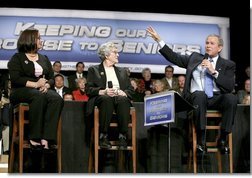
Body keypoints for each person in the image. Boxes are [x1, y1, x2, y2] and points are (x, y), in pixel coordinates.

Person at [147, 26, 237, 154]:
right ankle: (201, 139)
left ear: (220, 48)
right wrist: (159, 40)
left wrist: (213, 71)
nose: (208, 46)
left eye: (212, 43)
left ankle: (223, 138)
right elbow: (174, 57)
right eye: (207, 43)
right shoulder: (195, 58)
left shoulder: (228, 64)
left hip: (216, 98)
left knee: (231, 98)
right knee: (200, 95)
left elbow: (229, 87)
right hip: (197, 98)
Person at [8, 28, 64, 150]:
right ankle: (34, 136)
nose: (41, 40)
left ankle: (47, 137)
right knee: (37, 95)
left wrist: (47, 85)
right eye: (39, 38)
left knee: (56, 98)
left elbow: (51, 78)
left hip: (41, 89)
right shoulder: (17, 58)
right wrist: (36, 85)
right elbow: (16, 78)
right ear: (30, 40)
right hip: (21, 90)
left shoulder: (44, 58)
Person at [85, 41, 134, 149]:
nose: (118, 55)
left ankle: (122, 137)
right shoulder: (94, 70)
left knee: (123, 99)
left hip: (119, 98)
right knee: (106, 99)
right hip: (102, 98)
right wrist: (104, 91)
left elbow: (131, 89)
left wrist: (124, 92)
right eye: (115, 52)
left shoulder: (122, 71)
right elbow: (88, 89)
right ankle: (103, 136)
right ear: (106, 55)